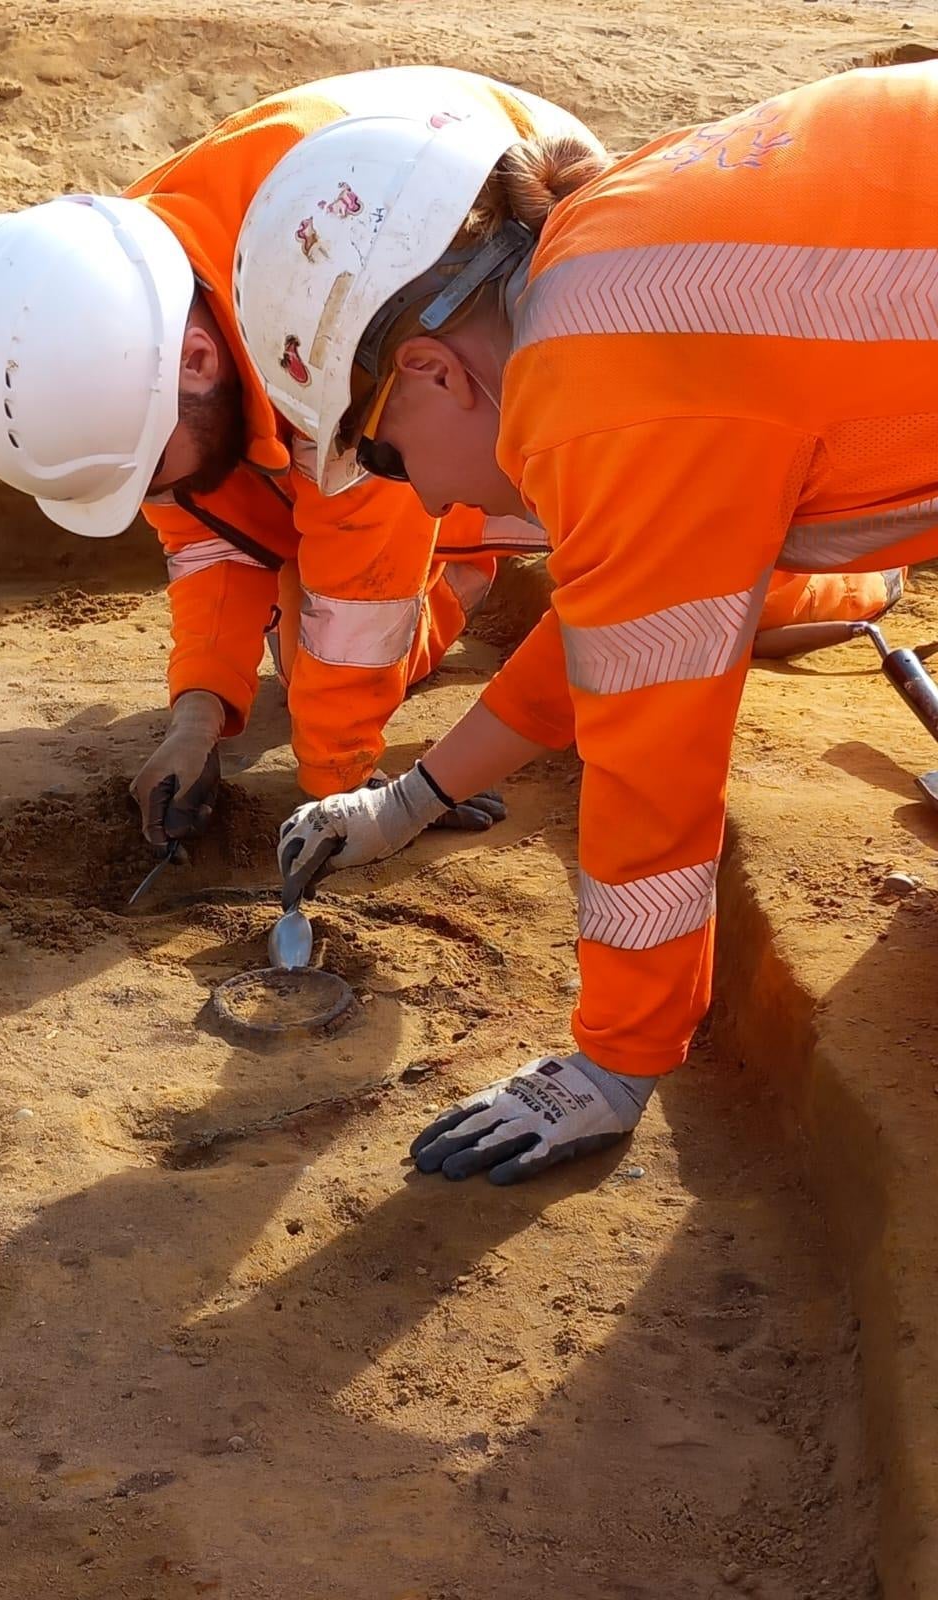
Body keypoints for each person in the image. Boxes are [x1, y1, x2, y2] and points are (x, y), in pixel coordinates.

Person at [232, 62, 938, 1184]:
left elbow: (651, 754)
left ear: (431, 370)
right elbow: (615, 627)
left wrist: (613, 1061)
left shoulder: (599, 384)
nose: (424, 500)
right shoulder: (604, 264)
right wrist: (408, 802)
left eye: (388, 458)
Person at [0, 67, 608, 848]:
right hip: (379, 297)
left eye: (151, 472)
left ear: (196, 361)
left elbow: (364, 572)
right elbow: (206, 527)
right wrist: (197, 715)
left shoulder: (319, 320)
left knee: (384, 580)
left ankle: (465, 561)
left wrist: (346, 786)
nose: (158, 494)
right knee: (300, 639)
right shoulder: (123, 308)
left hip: (514, 281)